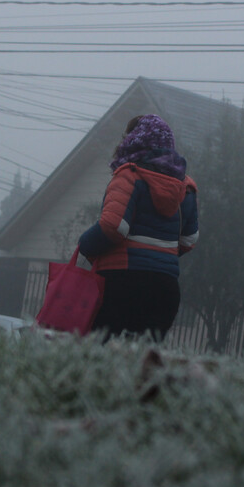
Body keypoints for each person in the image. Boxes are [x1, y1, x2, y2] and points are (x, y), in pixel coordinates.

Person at [76, 114, 199, 340]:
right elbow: (189, 240)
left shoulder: (129, 175)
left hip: (121, 285)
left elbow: (113, 227)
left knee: (104, 358)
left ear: (135, 140)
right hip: (166, 289)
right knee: (144, 364)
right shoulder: (186, 188)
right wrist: (160, 256)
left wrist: (84, 244)